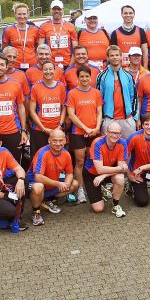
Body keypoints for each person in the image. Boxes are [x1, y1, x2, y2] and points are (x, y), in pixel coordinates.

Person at [66, 63, 103, 204]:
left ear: (90, 77)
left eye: (87, 76)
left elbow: (99, 112)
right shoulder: (72, 93)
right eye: (82, 76)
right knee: (80, 161)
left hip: (94, 131)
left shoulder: (96, 93)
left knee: (94, 160)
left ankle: (96, 186)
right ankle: (80, 189)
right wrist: (85, 128)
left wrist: (97, 127)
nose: (84, 79)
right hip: (78, 132)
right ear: (78, 78)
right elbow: (71, 114)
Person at [26, 128, 77, 225]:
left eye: (61, 140)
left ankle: (48, 200)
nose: (58, 143)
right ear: (49, 140)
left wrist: (66, 183)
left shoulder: (66, 154)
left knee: (74, 184)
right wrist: (58, 184)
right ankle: (36, 212)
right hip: (34, 184)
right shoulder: (43, 153)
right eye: (54, 141)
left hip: (52, 182)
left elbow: (69, 173)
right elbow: (38, 177)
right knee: (39, 187)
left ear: (65, 140)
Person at [84, 123, 129, 217]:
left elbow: (120, 169)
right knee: (98, 209)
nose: (115, 135)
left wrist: (103, 176)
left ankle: (115, 205)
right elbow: (100, 170)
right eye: (112, 132)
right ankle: (102, 189)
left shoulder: (123, 143)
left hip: (108, 171)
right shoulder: (97, 143)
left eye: (118, 133)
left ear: (121, 134)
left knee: (120, 179)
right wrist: (121, 168)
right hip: (92, 173)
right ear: (106, 132)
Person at [95, 46, 138, 138]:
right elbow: (98, 99)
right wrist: (102, 119)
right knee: (109, 145)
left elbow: (134, 97)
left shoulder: (128, 76)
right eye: (112, 55)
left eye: (117, 55)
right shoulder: (101, 76)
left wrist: (134, 116)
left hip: (127, 119)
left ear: (121, 56)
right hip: (109, 119)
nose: (115, 57)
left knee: (129, 145)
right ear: (107, 57)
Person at [27, 60, 68, 155]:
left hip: (57, 129)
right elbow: (32, 110)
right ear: (42, 71)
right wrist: (43, 128)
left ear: (54, 70)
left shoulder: (61, 86)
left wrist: (60, 125)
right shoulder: (35, 87)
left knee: (57, 155)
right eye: (45, 69)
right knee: (38, 156)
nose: (48, 71)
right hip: (39, 129)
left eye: (50, 69)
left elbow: (63, 108)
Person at [39, 0, 77, 67]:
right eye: (54, 9)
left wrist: (70, 66)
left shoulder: (71, 26)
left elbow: (75, 49)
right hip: (50, 65)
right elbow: (40, 49)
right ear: (50, 10)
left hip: (67, 63)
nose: (56, 11)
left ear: (63, 10)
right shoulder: (44, 26)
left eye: (59, 9)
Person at [2, 4, 40, 70]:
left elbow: (37, 47)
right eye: (19, 14)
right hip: (15, 66)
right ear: (15, 15)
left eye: (24, 14)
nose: (22, 16)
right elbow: (4, 49)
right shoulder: (8, 30)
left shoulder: (35, 29)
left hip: (32, 65)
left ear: (28, 15)